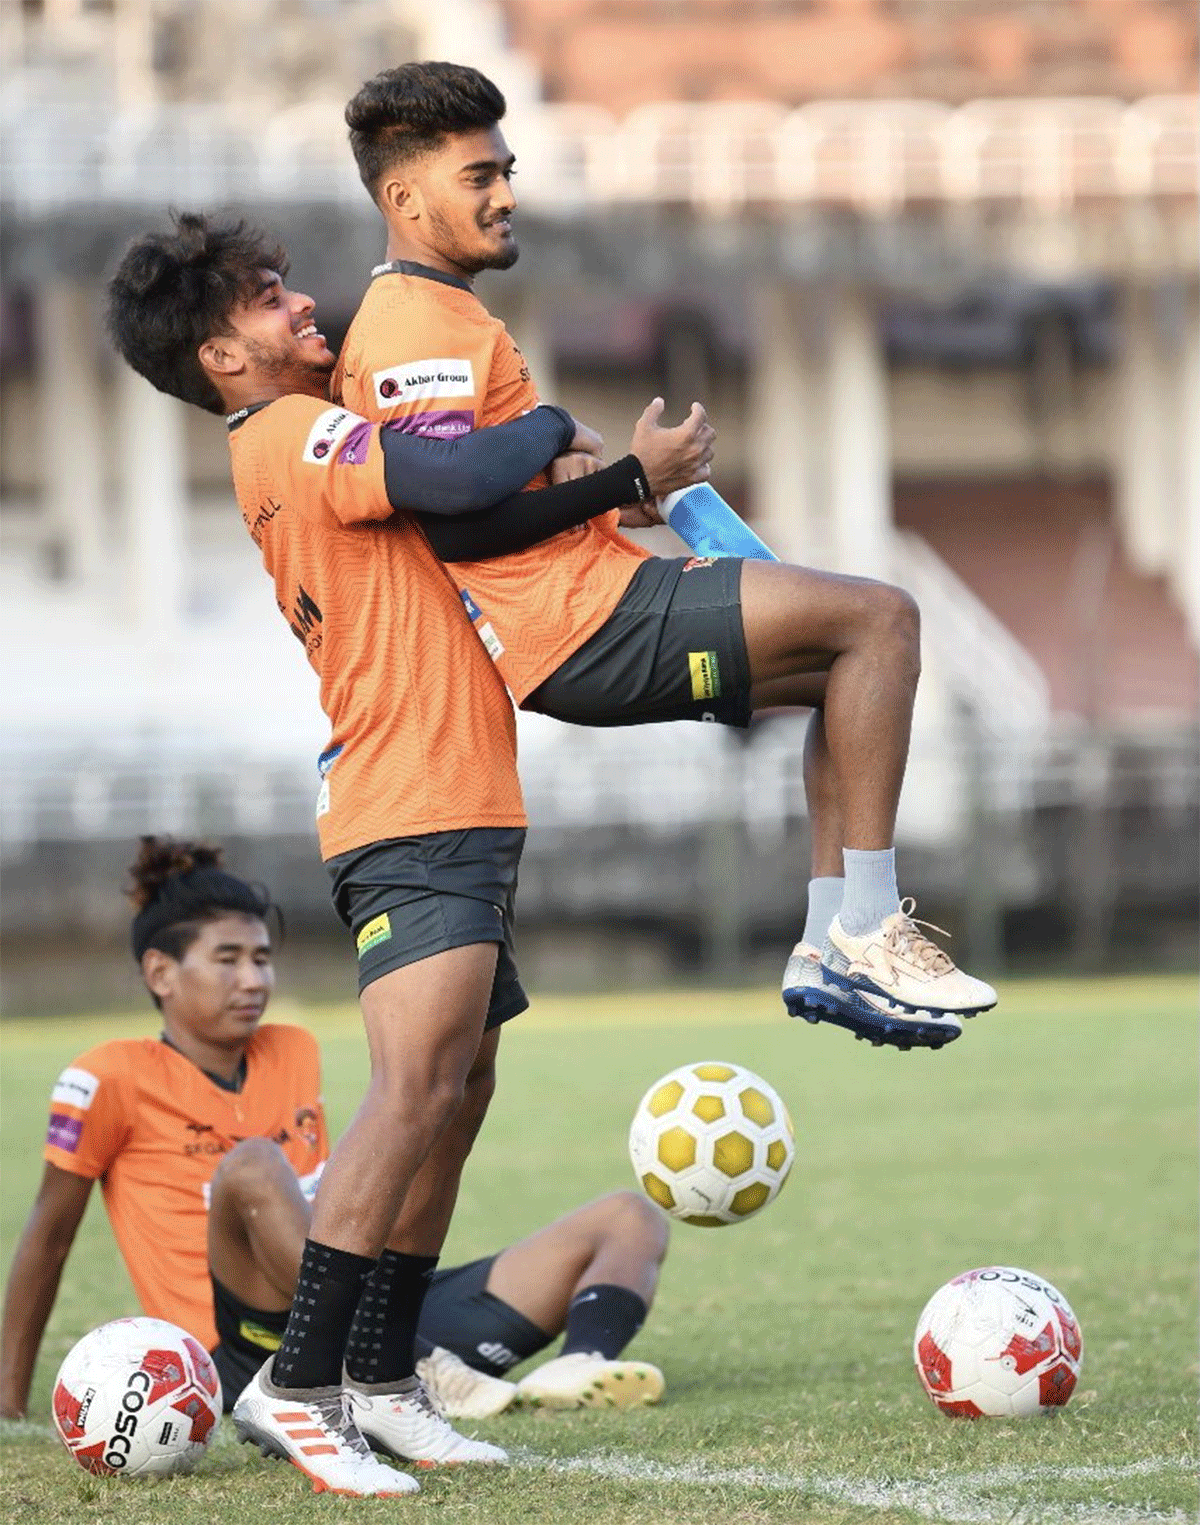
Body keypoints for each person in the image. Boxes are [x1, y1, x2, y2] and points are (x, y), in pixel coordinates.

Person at [102, 218, 709, 1495]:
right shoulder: (286, 432)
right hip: (409, 800)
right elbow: (457, 477)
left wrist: (621, 488)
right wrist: (547, 423)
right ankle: (300, 1382)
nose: (303, 303)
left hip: (463, 796)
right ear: (223, 355)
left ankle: (380, 1378)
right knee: (414, 1091)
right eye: (270, 301)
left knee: (461, 1087)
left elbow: (470, 518)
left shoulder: (319, 433)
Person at [335, 60, 998, 1054]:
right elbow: (455, 528)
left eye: (505, 170)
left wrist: (611, 505)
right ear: (404, 195)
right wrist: (629, 480)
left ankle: (830, 939)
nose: (507, 194)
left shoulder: (445, 313)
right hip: (581, 623)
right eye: (479, 177)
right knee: (881, 619)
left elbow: (481, 500)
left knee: (847, 675)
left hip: (590, 598)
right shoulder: (410, 329)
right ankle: (865, 927)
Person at [0, 839, 668, 1435]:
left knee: (627, 1216)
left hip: (358, 1301)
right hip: (250, 1340)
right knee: (254, 1168)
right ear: (159, 973)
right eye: (228, 959)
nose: (254, 979)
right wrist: (8, 1397)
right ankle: (408, 1363)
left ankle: (578, 1362)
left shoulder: (292, 1048)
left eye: (262, 958)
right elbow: (49, 1234)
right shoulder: (106, 1075)